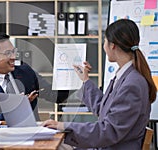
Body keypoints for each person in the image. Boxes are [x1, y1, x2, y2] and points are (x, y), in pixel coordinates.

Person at [43, 19, 157, 149]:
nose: (104, 46)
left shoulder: (132, 83)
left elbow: (108, 131)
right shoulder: (125, 77)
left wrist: (63, 126)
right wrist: (85, 80)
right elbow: (103, 108)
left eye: (104, 41)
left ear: (112, 45)